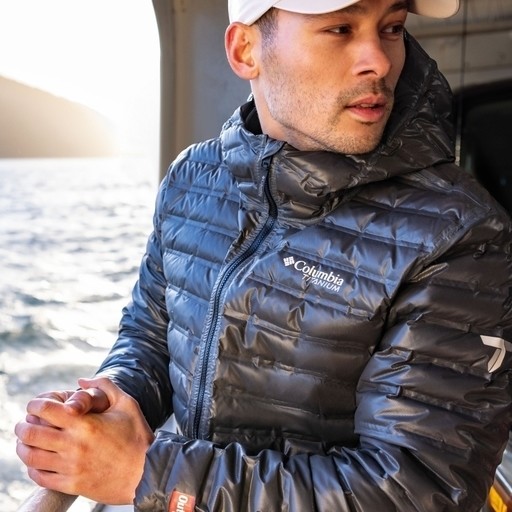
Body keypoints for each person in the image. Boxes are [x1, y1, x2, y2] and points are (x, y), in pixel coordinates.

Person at [15, 0, 512, 510]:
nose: (380, 61)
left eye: (392, 27)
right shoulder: (193, 178)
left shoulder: (458, 232)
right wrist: (109, 395)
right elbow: (150, 335)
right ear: (245, 50)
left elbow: (418, 490)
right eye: (341, 29)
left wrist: (150, 473)